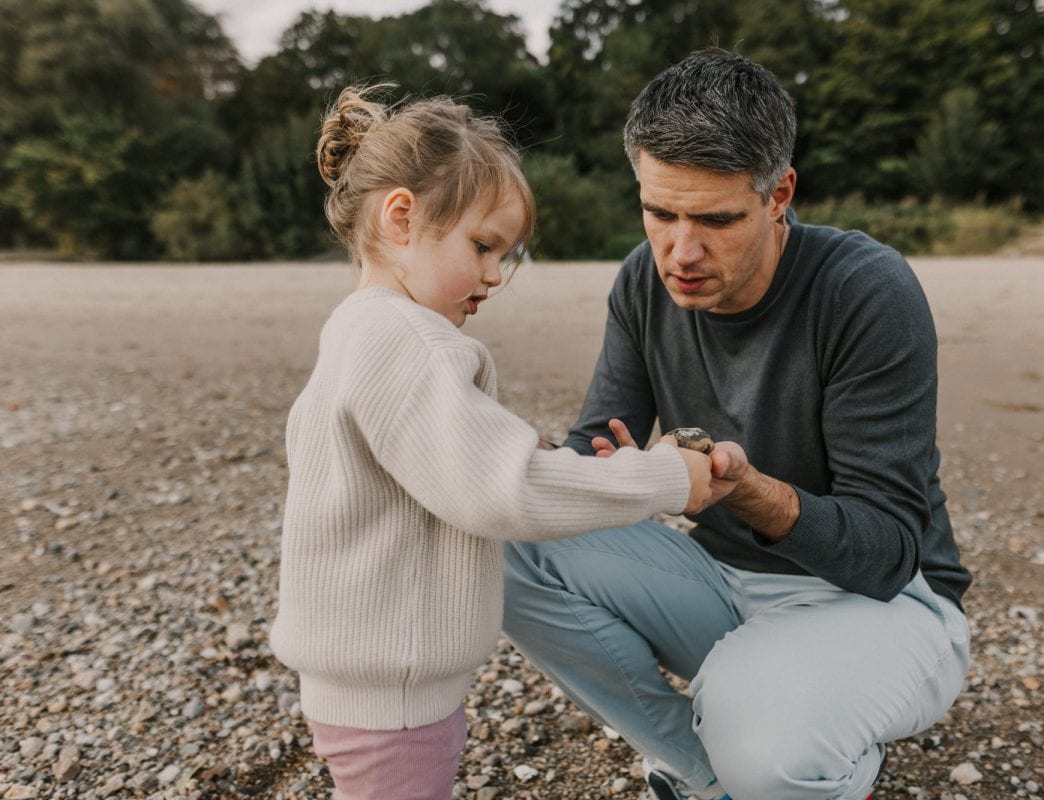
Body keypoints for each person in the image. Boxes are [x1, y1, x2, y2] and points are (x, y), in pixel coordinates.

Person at [502, 49, 973, 800]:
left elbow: (886, 555)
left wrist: (748, 490)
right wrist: (538, 464)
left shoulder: (864, 289)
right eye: (660, 213)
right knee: (502, 532)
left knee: (764, 746)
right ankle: (699, 772)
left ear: (779, 193)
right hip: (720, 586)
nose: (681, 252)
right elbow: (595, 447)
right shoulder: (643, 280)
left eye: (717, 219)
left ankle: (792, 744)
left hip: (884, 605)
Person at [269, 85, 716, 800]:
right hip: (396, 696)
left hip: (367, 686)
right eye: (482, 246)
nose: (493, 276)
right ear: (401, 218)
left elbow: (455, 469)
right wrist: (669, 477)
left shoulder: (357, 328)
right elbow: (507, 492)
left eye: (507, 255)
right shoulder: (410, 341)